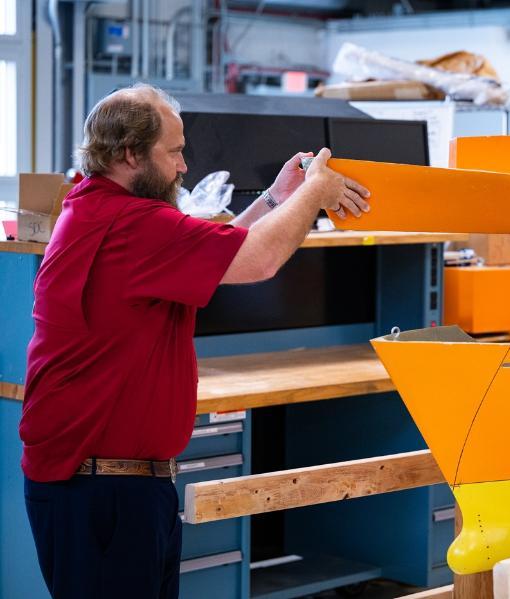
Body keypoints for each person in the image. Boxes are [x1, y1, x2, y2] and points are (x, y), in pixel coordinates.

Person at [18, 83, 370, 599]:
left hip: (115, 486)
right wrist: (315, 194)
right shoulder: (130, 225)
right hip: (102, 490)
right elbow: (258, 261)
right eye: (175, 152)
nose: (184, 166)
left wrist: (275, 199)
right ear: (130, 154)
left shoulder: (102, 211)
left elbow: (219, 251)